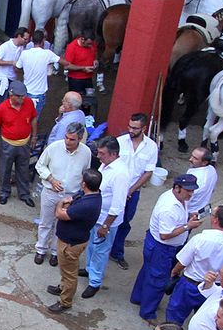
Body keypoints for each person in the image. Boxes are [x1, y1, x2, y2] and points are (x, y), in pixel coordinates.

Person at [128, 173, 200, 317]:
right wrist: (188, 226)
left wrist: (188, 217)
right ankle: (147, 312)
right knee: (158, 280)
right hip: (162, 248)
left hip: (156, 245)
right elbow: (165, 235)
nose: (191, 193)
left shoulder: (177, 198)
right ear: (177, 188)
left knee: (148, 271)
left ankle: (138, 298)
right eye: (188, 190)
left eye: (192, 190)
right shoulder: (169, 208)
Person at [82, 137, 139, 299]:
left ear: (113, 154)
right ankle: (88, 269)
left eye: (102, 153)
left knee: (101, 250)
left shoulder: (120, 174)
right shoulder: (106, 165)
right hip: (96, 216)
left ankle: (95, 282)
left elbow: (118, 205)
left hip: (106, 221)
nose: (98, 156)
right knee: (92, 246)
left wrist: (106, 226)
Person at [167, 206, 223, 325]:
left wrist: (174, 272)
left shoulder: (199, 239)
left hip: (190, 284)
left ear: (215, 220)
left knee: (175, 316)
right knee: (206, 322)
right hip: (214, 289)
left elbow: (182, 262)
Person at [33, 123, 92, 264]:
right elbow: (40, 165)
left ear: (79, 139)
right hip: (50, 192)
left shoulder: (86, 152)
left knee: (61, 225)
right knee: (46, 222)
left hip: (70, 196)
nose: (67, 141)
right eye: (66, 137)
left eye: (72, 139)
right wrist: (51, 179)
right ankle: (41, 249)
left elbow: (86, 173)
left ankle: (55, 252)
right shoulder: (54, 147)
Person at [46, 168, 101, 315]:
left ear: (84, 183)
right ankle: (63, 288)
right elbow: (72, 200)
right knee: (65, 270)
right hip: (73, 240)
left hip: (70, 244)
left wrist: (60, 203)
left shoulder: (86, 205)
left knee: (69, 274)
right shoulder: (92, 195)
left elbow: (60, 213)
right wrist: (66, 203)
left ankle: (65, 302)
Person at [109, 113, 159, 268]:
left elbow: (148, 172)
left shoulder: (151, 147)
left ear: (143, 128)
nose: (130, 130)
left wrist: (130, 190)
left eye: (135, 128)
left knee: (125, 222)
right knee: (107, 219)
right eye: (129, 126)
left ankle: (117, 252)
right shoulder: (119, 142)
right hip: (115, 189)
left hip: (133, 191)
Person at [0, 86, 37, 206]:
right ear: (12, 96)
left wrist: (34, 136)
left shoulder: (29, 103)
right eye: (20, 96)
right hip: (7, 144)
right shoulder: (2, 108)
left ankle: (24, 194)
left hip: (24, 143)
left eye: (23, 96)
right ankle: (4, 192)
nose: (23, 98)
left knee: (23, 169)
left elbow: (33, 119)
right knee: (5, 169)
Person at [17, 30, 58, 114]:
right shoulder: (47, 54)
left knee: (23, 116)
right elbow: (63, 61)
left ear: (32, 39)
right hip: (39, 93)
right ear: (43, 40)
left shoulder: (25, 53)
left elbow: (18, 67)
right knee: (34, 118)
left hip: (26, 91)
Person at [0, 28, 27, 98]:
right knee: (2, 102)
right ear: (19, 36)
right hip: (3, 79)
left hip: (13, 79)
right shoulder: (5, 46)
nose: (26, 41)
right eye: (25, 39)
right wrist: (11, 63)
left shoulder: (21, 48)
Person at [182, 146, 217, 214]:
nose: (190, 159)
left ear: (204, 162)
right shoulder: (212, 169)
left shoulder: (195, 179)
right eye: (192, 156)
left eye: (195, 158)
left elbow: (185, 199)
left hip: (190, 212)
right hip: (202, 209)